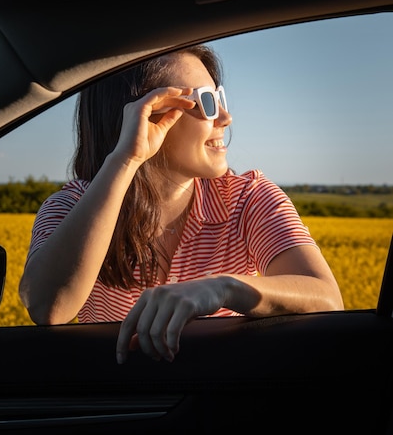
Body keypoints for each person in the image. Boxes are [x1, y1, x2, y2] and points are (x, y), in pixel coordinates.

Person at [19, 44, 344, 363]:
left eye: (220, 99)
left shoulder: (247, 199)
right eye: (206, 102)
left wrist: (223, 288)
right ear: (143, 115)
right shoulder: (72, 207)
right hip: (117, 403)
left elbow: (327, 300)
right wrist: (125, 157)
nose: (226, 118)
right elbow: (50, 308)